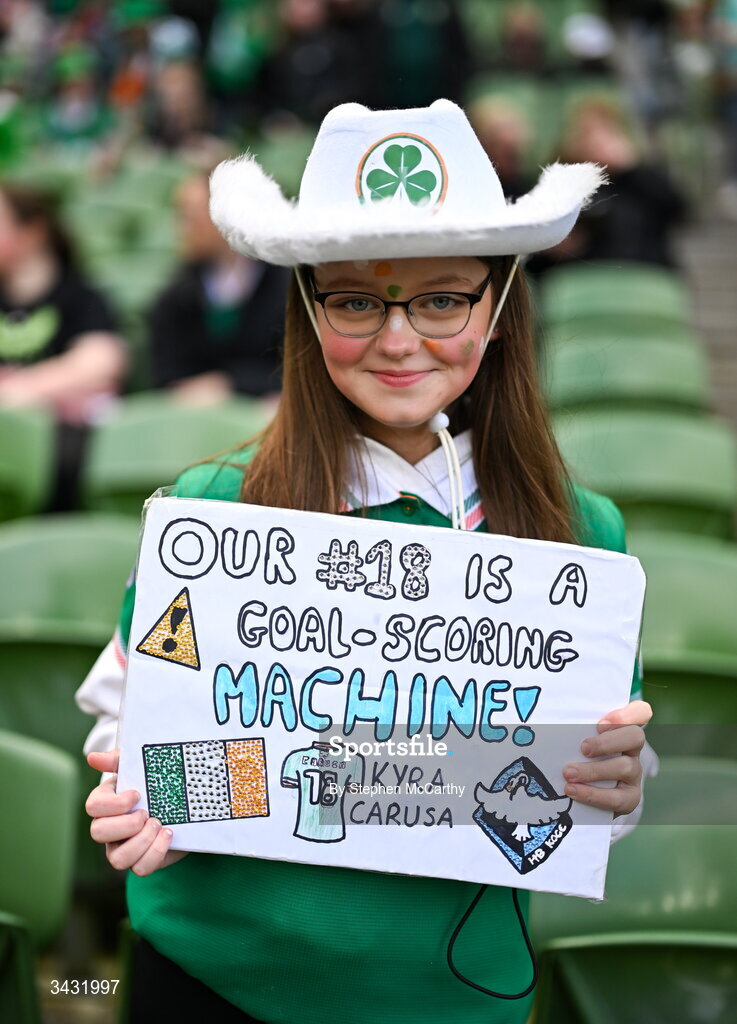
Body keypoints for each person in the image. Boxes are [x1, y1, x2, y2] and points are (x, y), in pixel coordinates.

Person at [77, 99, 657, 1023]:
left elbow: (574, 798)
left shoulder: (579, 535)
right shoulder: (212, 509)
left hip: (446, 997)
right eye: (354, 300)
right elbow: (127, 731)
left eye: (440, 298)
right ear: (308, 312)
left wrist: (613, 790)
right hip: (208, 983)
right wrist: (139, 796)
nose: (396, 340)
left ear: (499, 306)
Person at [0, 183, 126, 507]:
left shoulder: (81, 296)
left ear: (32, 232)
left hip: (60, 447)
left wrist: (22, 388)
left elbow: (103, 362)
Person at [148, 172, 289, 403]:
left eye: (193, 216)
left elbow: (297, 369)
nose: (184, 228)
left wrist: (230, 383)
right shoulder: (176, 296)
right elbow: (166, 374)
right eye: (181, 216)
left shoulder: (284, 286)